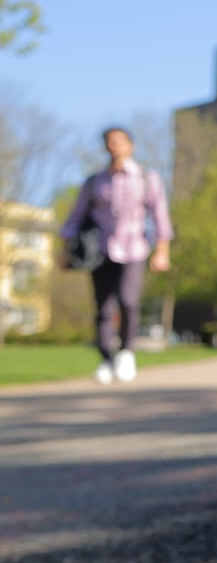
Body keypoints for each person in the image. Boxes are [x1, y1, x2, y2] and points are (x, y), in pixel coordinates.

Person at [58, 126, 172, 384]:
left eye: (119, 141)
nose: (114, 146)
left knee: (129, 301)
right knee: (103, 308)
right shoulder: (95, 181)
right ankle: (106, 359)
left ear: (130, 145)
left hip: (134, 249)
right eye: (110, 142)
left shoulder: (146, 177)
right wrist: (64, 251)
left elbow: (160, 215)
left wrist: (162, 250)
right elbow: (75, 217)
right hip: (100, 250)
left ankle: (127, 353)